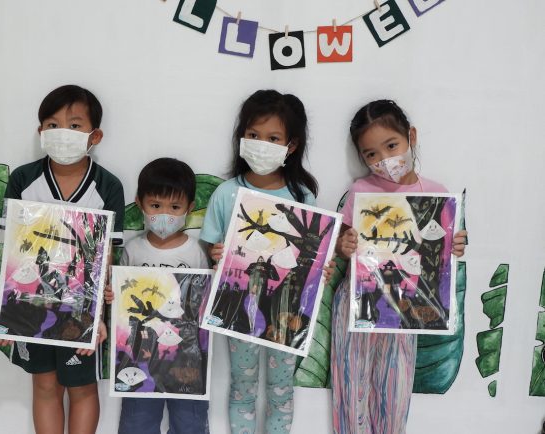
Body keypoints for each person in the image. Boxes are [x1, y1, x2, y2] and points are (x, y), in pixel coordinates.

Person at [0, 84, 125, 434]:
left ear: (94, 135)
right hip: (31, 304)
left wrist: (99, 315)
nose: (62, 132)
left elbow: (107, 254)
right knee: (44, 384)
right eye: (53, 124)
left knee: (82, 387)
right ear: (41, 131)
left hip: (81, 309)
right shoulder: (23, 179)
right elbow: (12, 249)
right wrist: (5, 315)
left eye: (75, 124)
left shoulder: (107, 186)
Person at [331, 99, 467, 434]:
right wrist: (344, 245)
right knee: (351, 385)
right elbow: (343, 242)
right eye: (371, 154)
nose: (384, 160)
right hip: (358, 303)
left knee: (394, 391)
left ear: (411, 137)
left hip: (404, 308)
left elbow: (439, 255)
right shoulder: (361, 191)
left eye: (391, 146)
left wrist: (454, 247)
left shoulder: (435, 193)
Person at [200, 89, 319, 434]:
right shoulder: (226, 193)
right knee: (243, 384)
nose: (261, 144)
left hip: (287, 307)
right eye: (253, 134)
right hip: (240, 307)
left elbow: (312, 253)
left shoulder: (302, 196)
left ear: (291, 145)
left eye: (273, 138)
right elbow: (211, 246)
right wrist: (216, 254)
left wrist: (320, 267)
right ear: (241, 136)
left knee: (282, 388)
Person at [107, 157, 210, 434]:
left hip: (186, 356)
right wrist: (112, 296)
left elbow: (204, 300)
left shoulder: (196, 251)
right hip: (140, 354)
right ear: (140, 203)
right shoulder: (133, 250)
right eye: (155, 205)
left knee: (190, 421)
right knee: (137, 420)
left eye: (174, 207)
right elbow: (122, 301)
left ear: (189, 207)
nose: (165, 214)